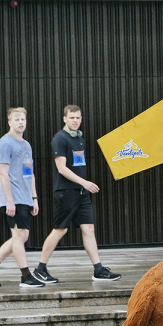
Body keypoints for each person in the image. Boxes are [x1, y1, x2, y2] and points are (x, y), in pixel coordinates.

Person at [33, 105, 121, 284]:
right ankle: (40, 269)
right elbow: (61, 168)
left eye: (78, 118)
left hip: (81, 193)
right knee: (60, 229)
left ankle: (98, 269)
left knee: (88, 228)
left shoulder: (79, 139)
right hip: (66, 192)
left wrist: (83, 186)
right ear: (64, 119)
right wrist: (84, 182)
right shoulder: (60, 139)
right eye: (72, 117)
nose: (75, 121)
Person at [0, 107, 45, 289]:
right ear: (9, 122)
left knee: (21, 236)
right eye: (17, 119)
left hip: (25, 197)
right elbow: (3, 174)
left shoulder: (26, 145)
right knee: (19, 235)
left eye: (23, 119)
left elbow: (29, 173)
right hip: (12, 197)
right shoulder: (4, 144)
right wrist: (9, 200)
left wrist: (34, 198)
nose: (21, 122)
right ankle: (26, 276)